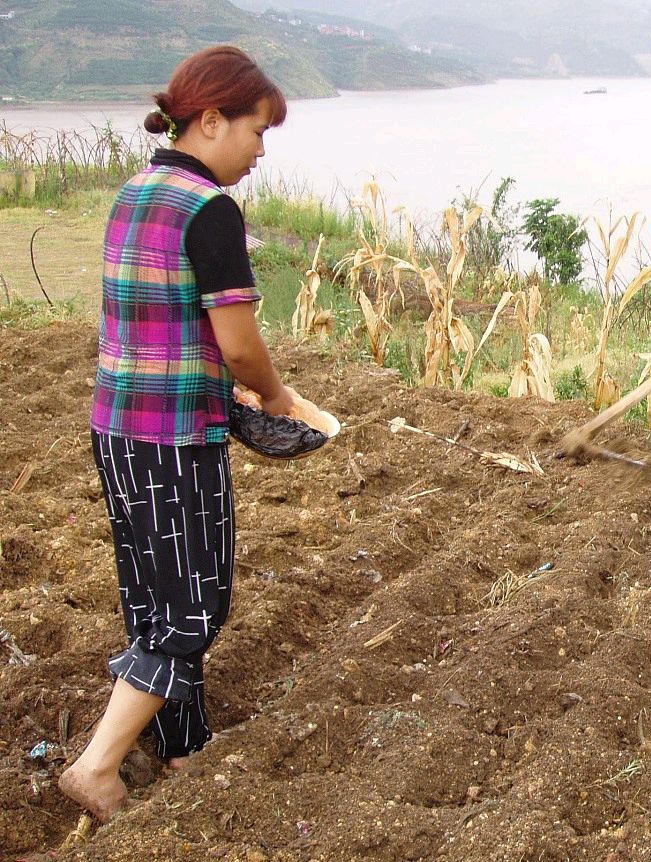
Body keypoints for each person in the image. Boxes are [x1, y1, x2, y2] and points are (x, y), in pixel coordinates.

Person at [59, 45, 299, 823]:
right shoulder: (210, 208)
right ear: (209, 119)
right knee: (192, 608)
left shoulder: (135, 190)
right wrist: (275, 393)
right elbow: (235, 340)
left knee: (152, 599)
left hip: (117, 425)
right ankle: (95, 768)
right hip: (174, 436)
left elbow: (159, 317)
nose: (261, 152)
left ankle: (182, 743)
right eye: (257, 131)